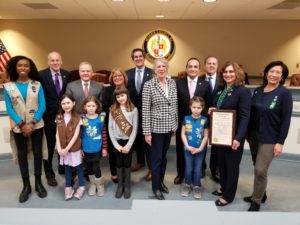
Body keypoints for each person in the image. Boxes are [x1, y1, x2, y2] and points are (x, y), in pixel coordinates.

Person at [244, 61, 292, 211]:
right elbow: (251, 113)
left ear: (282, 76)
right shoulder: (258, 91)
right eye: (271, 71)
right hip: (253, 136)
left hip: (270, 138)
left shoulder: (284, 94)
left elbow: (285, 120)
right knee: (256, 165)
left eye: (278, 72)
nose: (274, 75)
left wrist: (280, 142)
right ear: (266, 73)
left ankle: (256, 200)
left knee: (260, 170)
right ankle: (261, 193)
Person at [3, 55, 47, 203]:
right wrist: (22, 125)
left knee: (37, 152)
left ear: (30, 68)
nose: (23, 68)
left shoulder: (37, 84)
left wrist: (32, 123)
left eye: (26, 66)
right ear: (15, 67)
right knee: (22, 155)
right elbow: (9, 108)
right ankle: (26, 186)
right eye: (20, 65)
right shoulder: (8, 86)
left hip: (37, 125)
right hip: (19, 128)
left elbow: (43, 105)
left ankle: (38, 183)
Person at [209, 61, 251, 206]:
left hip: (234, 137)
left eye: (231, 72)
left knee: (231, 166)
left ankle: (228, 196)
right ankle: (224, 187)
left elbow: (245, 116)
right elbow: (217, 108)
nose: (228, 74)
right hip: (221, 136)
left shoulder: (242, 91)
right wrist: (212, 109)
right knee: (222, 164)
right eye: (225, 72)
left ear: (237, 73)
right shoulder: (221, 90)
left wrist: (239, 138)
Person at [142, 58, 178, 200]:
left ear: (167, 68)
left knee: (163, 158)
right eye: (158, 67)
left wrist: (175, 124)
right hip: (155, 129)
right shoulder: (149, 85)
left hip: (169, 127)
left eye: (164, 66)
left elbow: (174, 105)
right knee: (156, 159)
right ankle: (155, 187)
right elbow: (145, 110)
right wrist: (146, 132)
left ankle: (161, 182)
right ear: (154, 69)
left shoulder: (172, 83)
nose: (161, 68)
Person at [175, 57, 211, 185]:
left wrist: (207, 124)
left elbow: (208, 105)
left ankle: (198, 173)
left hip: (199, 125)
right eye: (190, 66)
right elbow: (175, 104)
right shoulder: (178, 83)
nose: (193, 69)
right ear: (186, 68)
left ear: (199, 69)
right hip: (183, 123)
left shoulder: (205, 84)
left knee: (199, 148)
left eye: (195, 66)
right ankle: (181, 174)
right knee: (181, 149)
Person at [39, 51, 70, 186]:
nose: (55, 63)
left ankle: (62, 167)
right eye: (52, 60)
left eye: (57, 60)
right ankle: (49, 173)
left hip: (64, 115)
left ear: (61, 61)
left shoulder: (67, 74)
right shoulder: (41, 75)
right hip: (48, 116)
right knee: (49, 145)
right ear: (48, 62)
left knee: (63, 142)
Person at [126, 48, 153, 181]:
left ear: (144, 58)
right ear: (133, 59)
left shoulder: (152, 73)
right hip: (132, 113)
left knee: (148, 141)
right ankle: (140, 161)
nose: (138, 59)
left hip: (148, 113)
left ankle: (151, 168)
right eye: (135, 57)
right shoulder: (127, 74)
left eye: (140, 56)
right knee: (136, 138)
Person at [109, 86, 138, 199]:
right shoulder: (113, 109)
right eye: (118, 96)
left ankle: (127, 185)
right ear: (115, 98)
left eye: (122, 95)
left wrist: (128, 146)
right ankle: (120, 185)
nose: (120, 98)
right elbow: (110, 128)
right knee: (119, 164)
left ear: (127, 95)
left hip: (128, 142)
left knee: (127, 164)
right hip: (117, 142)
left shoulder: (133, 109)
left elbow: (134, 129)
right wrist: (116, 145)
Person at [56, 94, 85, 200]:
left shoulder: (78, 118)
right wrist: (59, 148)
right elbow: (57, 134)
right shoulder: (59, 117)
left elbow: (76, 136)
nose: (66, 105)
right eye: (63, 103)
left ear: (73, 103)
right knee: (67, 168)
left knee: (78, 168)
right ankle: (68, 187)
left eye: (68, 103)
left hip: (74, 149)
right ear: (61, 104)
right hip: (63, 149)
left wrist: (66, 149)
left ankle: (82, 186)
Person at [102, 68, 128, 183]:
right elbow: (104, 106)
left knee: (126, 149)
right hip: (112, 124)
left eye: (120, 75)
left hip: (127, 125)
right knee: (113, 150)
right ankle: (114, 173)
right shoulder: (107, 90)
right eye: (114, 76)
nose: (117, 78)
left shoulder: (129, 90)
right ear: (112, 79)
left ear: (124, 77)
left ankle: (124, 172)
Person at [180, 96, 209, 199]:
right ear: (190, 107)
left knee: (197, 169)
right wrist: (187, 146)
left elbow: (206, 136)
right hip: (188, 149)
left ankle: (197, 185)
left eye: (199, 108)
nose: (196, 110)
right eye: (194, 107)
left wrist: (200, 148)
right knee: (188, 168)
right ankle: (187, 184)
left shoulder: (205, 120)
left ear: (202, 108)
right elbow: (183, 134)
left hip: (200, 150)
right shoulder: (186, 119)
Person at [81, 96, 108, 197]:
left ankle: (99, 185)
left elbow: (104, 133)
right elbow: (80, 134)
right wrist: (80, 149)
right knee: (89, 166)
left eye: (93, 106)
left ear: (97, 106)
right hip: (86, 147)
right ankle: (92, 184)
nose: (91, 108)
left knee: (96, 166)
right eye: (89, 106)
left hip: (97, 147)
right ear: (85, 107)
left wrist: (105, 148)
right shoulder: (83, 118)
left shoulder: (101, 118)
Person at [203, 56, 220, 182]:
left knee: (217, 146)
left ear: (217, 66)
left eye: (214, 63)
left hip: (219, 118)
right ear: (205, 65)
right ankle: (201, 168)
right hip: (201, 117)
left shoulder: (224, 81)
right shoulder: (198, 80)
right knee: (200, 144)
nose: (211, 65)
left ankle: (215, 171)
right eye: (209, 63)